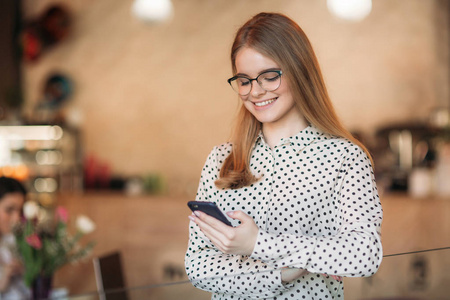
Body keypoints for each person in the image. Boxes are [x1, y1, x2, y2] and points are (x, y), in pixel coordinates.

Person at [185, 12, 383, 299]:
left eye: (269, 76)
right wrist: (282, 274)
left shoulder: (345, 157)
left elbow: (364, 255)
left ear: (300, 71)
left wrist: (258, 243)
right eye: (244, 80)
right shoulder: (221, 160)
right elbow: (198, 265)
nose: (255, 91)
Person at [0, 177, 30, 299]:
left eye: (20, 210)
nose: (16, 219)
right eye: (9, 210)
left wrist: (27, 270)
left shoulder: (17, 241)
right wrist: (5, 277)